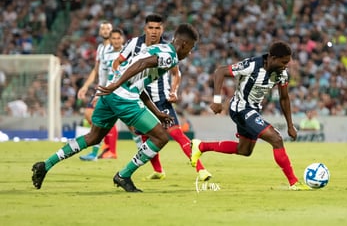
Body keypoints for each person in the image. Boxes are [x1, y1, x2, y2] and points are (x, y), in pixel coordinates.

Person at [31, 23, 198, 192]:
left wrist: (157, 113)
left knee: (93, 137)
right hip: (123, 97)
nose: (189, 53)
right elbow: (143, 64)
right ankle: (124, 175)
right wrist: (119, 84)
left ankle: (45, 165)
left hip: (110, 92)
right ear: (183, 44)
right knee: (161, 137)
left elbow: (139, 83)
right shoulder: (170, 57)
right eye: (190, 48)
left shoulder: (159, 47)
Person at [190, 41, 311, 190]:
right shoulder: (252, 65)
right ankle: (294, 182)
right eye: (283, 62)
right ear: (272, 58)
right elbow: (220, 71)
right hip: (240, 109)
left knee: (244, 150)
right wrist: (217, 100)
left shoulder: (282, 74)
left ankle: (201, 146)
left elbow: (284, 98)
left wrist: (290, 125)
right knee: (276, 139)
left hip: (253, 111)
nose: (285, 66)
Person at [112, 13, 211, 181]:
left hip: (160, 99)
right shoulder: (134, 44)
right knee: (146, 138)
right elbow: (118, 62)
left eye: (157, 28)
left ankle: (200, 170)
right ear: (145, 28)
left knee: (177, 134)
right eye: (151, 28)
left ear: (162, 30)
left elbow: (176, 74)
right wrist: (119, 82)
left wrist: (174, 91)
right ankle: (158, 170)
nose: (154, 31)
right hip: (137, 99)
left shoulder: (170, 50)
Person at [77, 21, 119, 161]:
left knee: (95, 116)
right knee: (92, 116)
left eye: (108, 28)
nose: (106, 30)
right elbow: (96, 70)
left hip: (110, 88)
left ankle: (108, 150)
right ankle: (106, 149)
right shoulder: (101, 48)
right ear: (100, 32)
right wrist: (85, 86)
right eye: (103, 28)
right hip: (101, 88)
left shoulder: (116, 49)